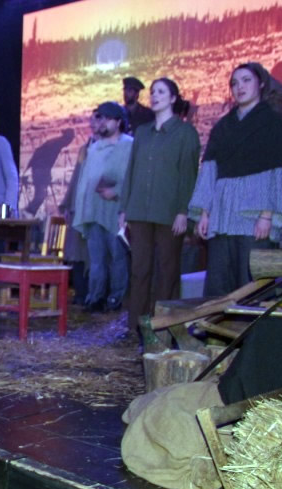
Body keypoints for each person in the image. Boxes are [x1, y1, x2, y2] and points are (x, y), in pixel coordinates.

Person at [189, 62, 282, 297]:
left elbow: (279, 173)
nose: (239, 87)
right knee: (220, 287)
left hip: (254, 220)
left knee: (253, 287)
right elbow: (210, 169)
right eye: (234, 83)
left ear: (260, 84)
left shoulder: (274, 123)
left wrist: (267, 215)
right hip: (222, 218)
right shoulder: (223, 126)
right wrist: (204, 212)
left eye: (246, 80)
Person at [121, 78, 200, 333]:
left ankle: (164, 327)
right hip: (140, 212)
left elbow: (188, 175)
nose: (154, 96)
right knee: (139, 270)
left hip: (169, 213)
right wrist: (124, 208)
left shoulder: (185, 133)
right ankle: (136, 327)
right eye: (153, 92)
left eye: (161, 92)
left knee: (167, 270)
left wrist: (183, 211)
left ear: (173, 98)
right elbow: (131, 171)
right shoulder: (142, 132)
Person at [71, 102, 133, 313]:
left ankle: (115, 298)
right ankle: (95, 298)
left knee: (117, 257)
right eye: (100, 117)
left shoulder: (129, 146)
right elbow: (85, 181)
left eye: (107, 118)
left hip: (116, 211)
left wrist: (116, 191)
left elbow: (132, 177)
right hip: (94, 211)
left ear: (118, 122)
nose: (102, 122)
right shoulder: (94, 148)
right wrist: (81, 208)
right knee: (96, 260)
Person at [58, 109, 101, 305]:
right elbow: (76, 177)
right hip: (78, 207)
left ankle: (95, 294)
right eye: (92, 120)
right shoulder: (85, 148)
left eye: (97, 120)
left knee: (94, 254)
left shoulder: (108, 148)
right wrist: (68, 204)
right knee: (76, 252)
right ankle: (80, 293)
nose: (93, 124)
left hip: (96, 208)